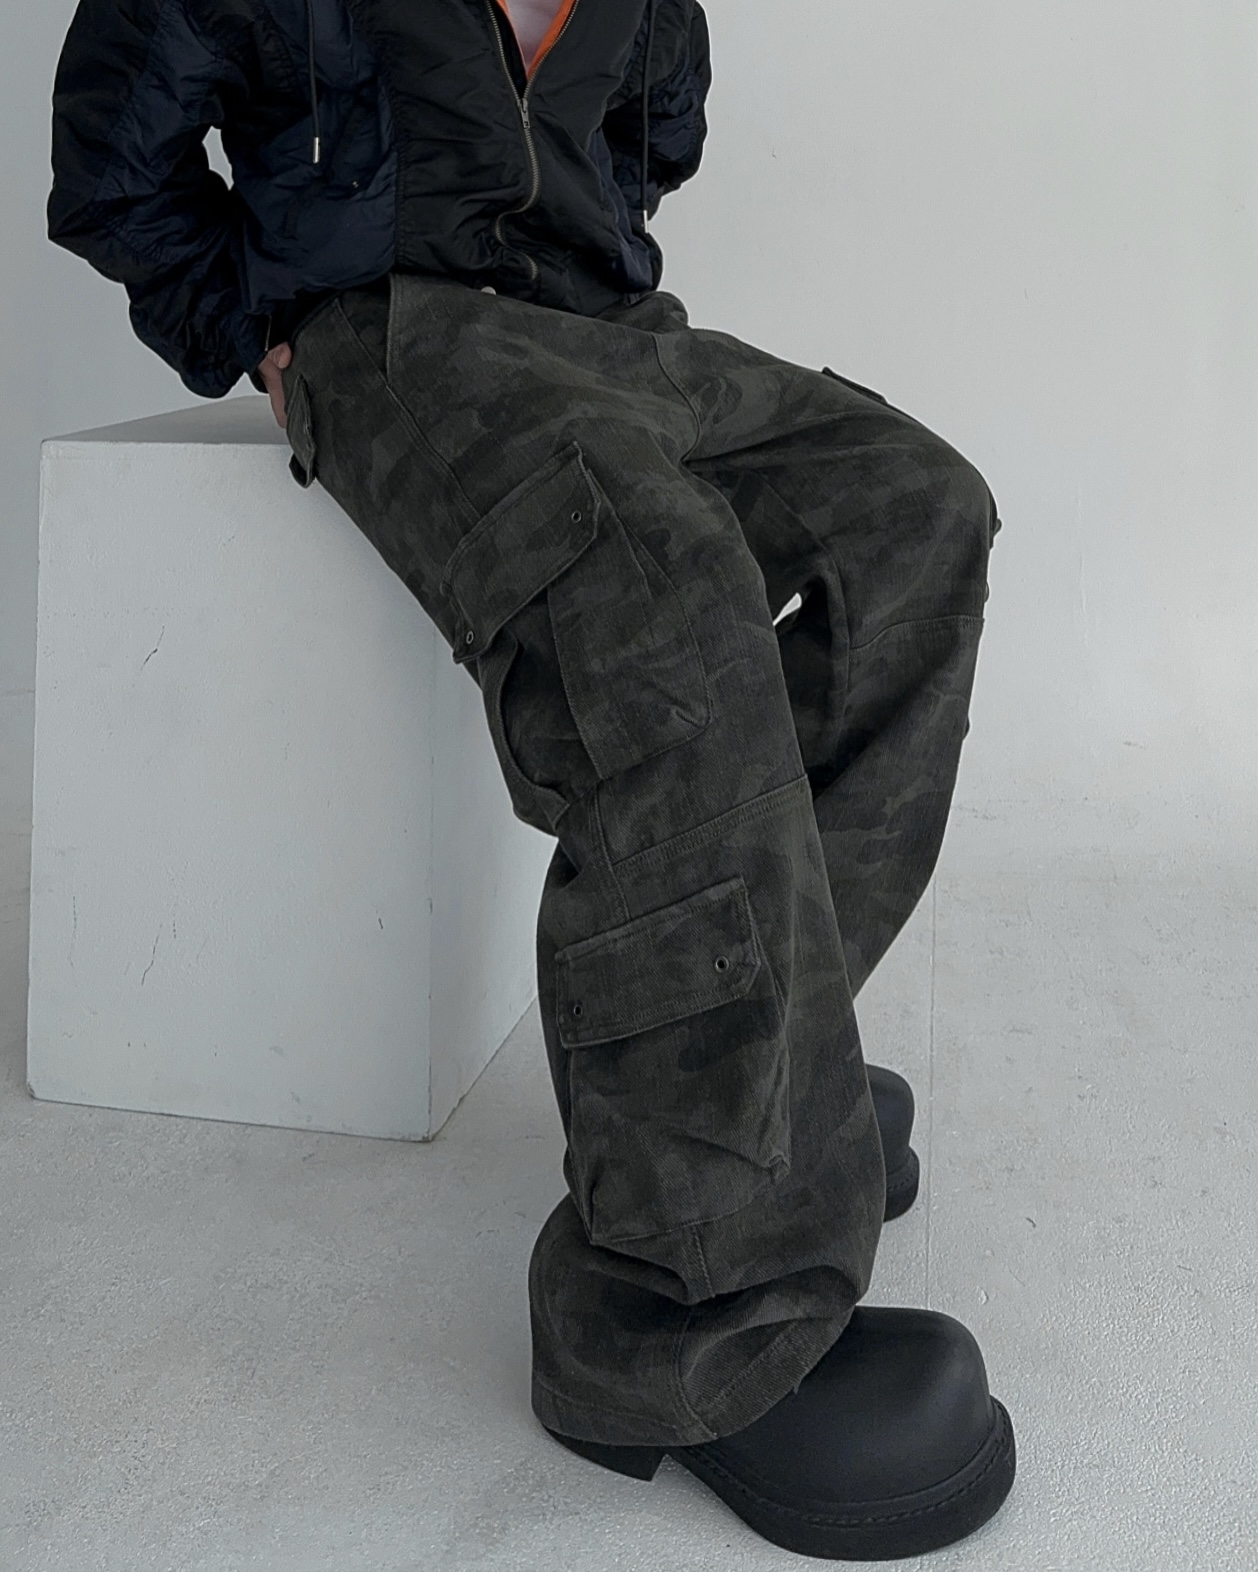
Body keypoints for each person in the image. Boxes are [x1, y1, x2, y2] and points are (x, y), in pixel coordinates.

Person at [47, 0, 1016, 1558]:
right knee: (658, 617)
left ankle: (767, 1093)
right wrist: (256, 329)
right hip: (390, 338)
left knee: (917, 516)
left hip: (612, 335)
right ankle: (680, 1332)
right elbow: (112, 162)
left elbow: (653, 129)